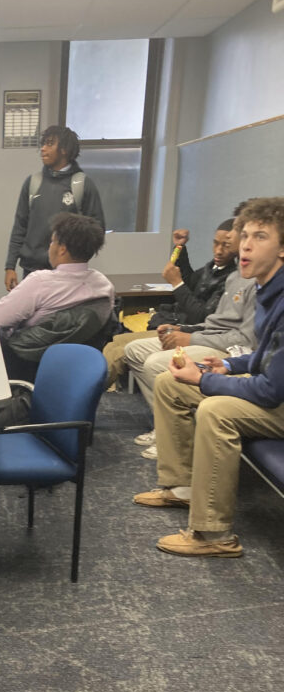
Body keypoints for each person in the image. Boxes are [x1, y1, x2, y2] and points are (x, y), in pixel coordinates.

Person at [133, 196, 284, 557]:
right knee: (171, 384)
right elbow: (267, 358)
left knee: (216, 411)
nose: (245, 245)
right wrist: (228, 367)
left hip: (278, 402)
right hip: (276, 393)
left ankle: (213, 535)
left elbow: (269, 392)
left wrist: (204, 381)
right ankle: (181, 487)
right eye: (244, 235)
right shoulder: (267, 289)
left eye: (260, 237)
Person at [124, 267, 256, 458]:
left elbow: (245, 340)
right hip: (209, 336)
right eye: (216, 243)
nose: (247, 247)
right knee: (133, 350)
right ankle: (163, 427)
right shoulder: (234, 276)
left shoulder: (262, 286)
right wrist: (182, 329)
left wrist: (190, 339)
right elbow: (214, 324)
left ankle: (174, 437)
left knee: (155, 364)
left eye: (226, 244)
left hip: (228, 350)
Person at [103, 219, 238, 389]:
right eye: (216, 243)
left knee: (118, 351)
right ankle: (97, 395)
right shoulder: (213, 268)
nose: (218, 251)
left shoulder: (232, 278)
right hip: (178, 324)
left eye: (226, 245)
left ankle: (91, 397)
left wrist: (177, 284)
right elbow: (190, 282)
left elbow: (202, 316)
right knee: (114, 342)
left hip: (189, 330)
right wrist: (180, 248)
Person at [0, 212, 114, 379]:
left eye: (52, 241)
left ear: (62, 249)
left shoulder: (40, 282)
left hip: (28, 365)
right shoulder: (104, 285)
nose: (50, 247)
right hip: (77, 370)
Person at [4, 125, 105, 292]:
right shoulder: (33, 183)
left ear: (64, 150)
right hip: (31, 271)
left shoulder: (82, 185)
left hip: (68, 276)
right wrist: (10, 266)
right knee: (34, 317)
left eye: (50, 144)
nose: (43, 149)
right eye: (43, 144)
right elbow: (19, 227)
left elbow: (97, 231)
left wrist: (75, 261)